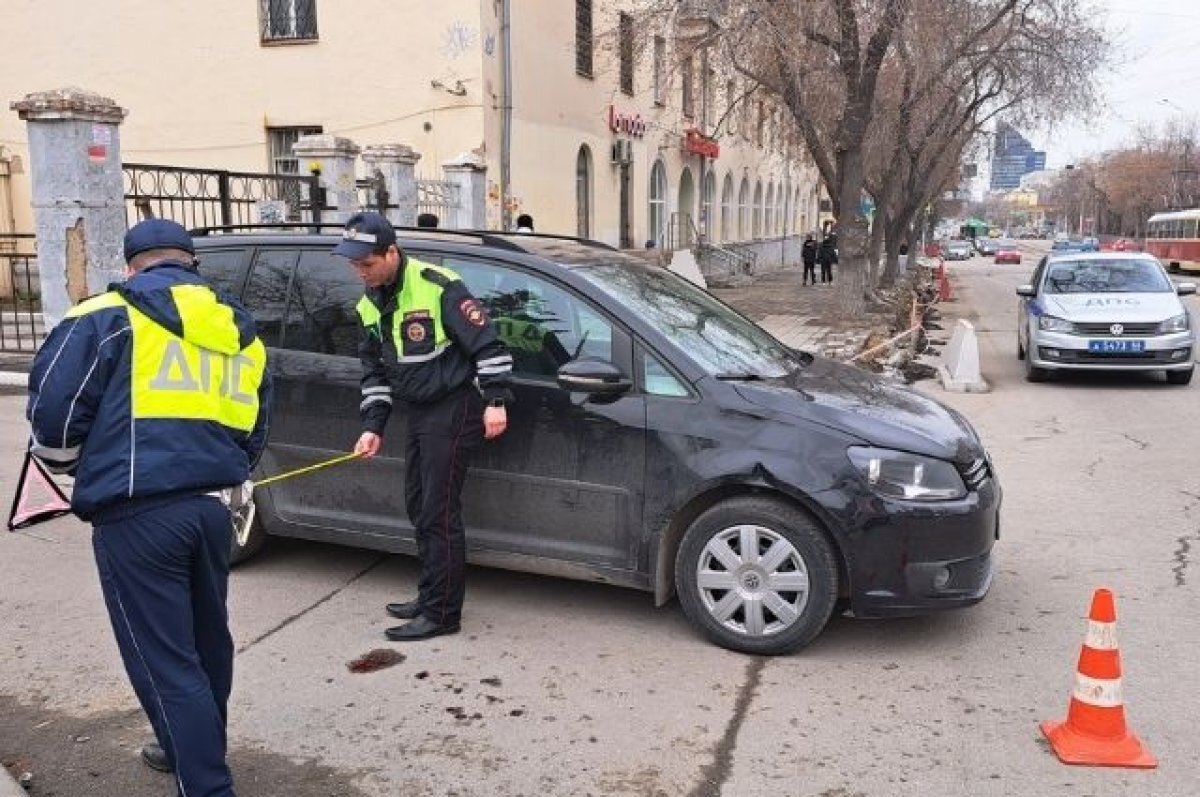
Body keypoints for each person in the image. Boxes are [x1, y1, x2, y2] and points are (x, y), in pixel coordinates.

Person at [26, 218, 271, 796]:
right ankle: (189, 744)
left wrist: (61, 465)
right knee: (209, 641)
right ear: (191, 264)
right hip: (215, 511)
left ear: (132, 266)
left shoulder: (103, 316)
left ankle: (207, 784)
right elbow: (254, 430)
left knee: (165, 661)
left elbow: (55, 416)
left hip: (136, 516)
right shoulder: (240, 332)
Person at [333, 212, 513, 641]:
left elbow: (488, 345)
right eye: (355, 265)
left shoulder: (437, 284)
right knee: (419, 505)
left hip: (454, 407)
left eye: (367, 263)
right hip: (418, 413)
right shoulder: (368, 305)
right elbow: (373, 373)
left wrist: (496, 400)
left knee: (438, 512)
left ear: (391, 252)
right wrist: (373, 425)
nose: (360, 271)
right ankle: (431, 592)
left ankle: (442, 613)